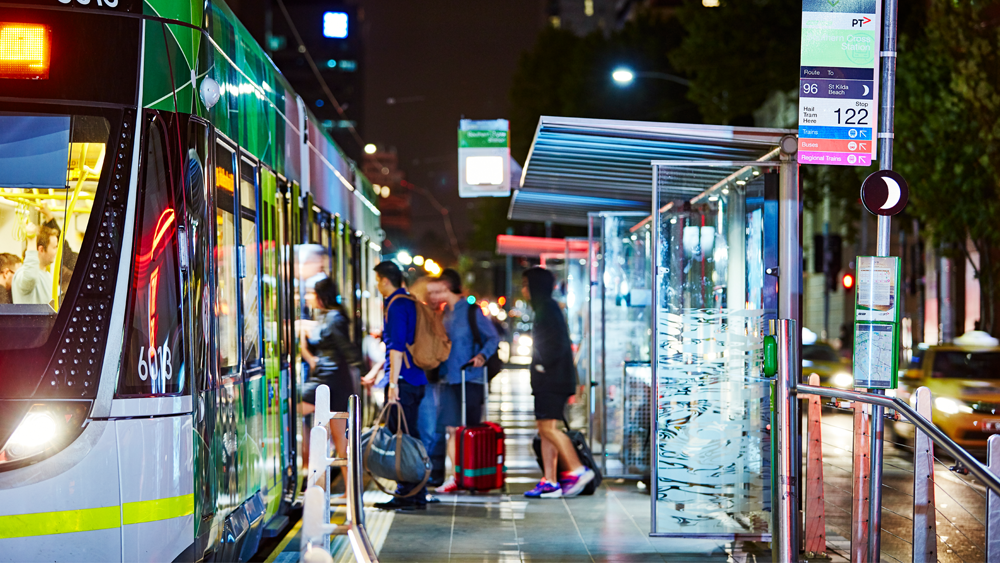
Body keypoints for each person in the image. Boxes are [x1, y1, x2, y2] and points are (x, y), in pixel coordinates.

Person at [522, 267, 595, 498]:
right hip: (554, 380)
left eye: (526, 284)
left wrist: (540, 366)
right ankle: (550, 481)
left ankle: (577, 469)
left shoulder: (547, 309)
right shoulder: (548, 308)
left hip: (551, 381)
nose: (523, 289)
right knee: (546, 431)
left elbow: (554, 346)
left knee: (548, 429)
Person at [429, 269, 499, 494]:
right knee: (451, 428)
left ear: (447, 287)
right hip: (449, 379)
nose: (433, 294)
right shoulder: (444, 313)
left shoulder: (471, 311)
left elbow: (493, 337)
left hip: (471, 379)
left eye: (437, 289)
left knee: (468, 430)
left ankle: (473, 475)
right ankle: (456, 477)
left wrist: (482, 356)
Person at [373, 261, 430, 510]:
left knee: (402, 439)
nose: (377, 285)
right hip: (416, 378)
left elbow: (396, 348)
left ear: (385, 280)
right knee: (410, 437)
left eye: (377, 280)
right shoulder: (409, 301)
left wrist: (392, 383)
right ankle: (415, 493)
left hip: (403, 381)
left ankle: (407, 495)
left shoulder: (396, 306)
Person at [299, 278, 363, 490]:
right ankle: (346, 490)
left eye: (311, 293)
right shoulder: (328, 316)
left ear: (321, 296)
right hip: (329, 379)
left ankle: (311, 468)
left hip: (329, 381)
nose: (308, 297)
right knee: (338, 441)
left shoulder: (334, 318)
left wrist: (362, 371)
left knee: (293, 408)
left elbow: (347, 348)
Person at [13, 222, 59, 306]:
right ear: (41, 249)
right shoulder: (22, 274)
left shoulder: (48, 276)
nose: (57, 251)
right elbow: (31, 277)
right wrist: (31, 240)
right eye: (54, 247)